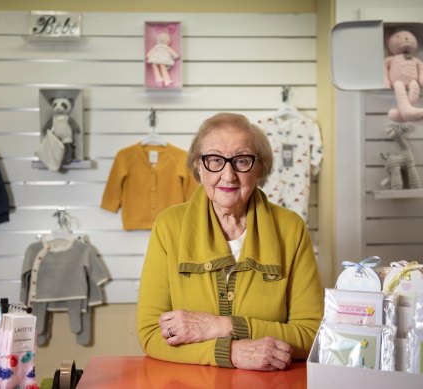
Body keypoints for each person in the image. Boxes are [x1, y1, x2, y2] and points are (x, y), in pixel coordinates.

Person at [137, 112, 324, 371]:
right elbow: (151, 334)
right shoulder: (169, 226)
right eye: (215, 160)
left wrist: (220, 326)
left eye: (242, 160)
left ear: (260, 168)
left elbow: (312, 334)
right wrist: (231, 352)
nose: (228, 175)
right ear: (198, 167)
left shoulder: (291, 229)